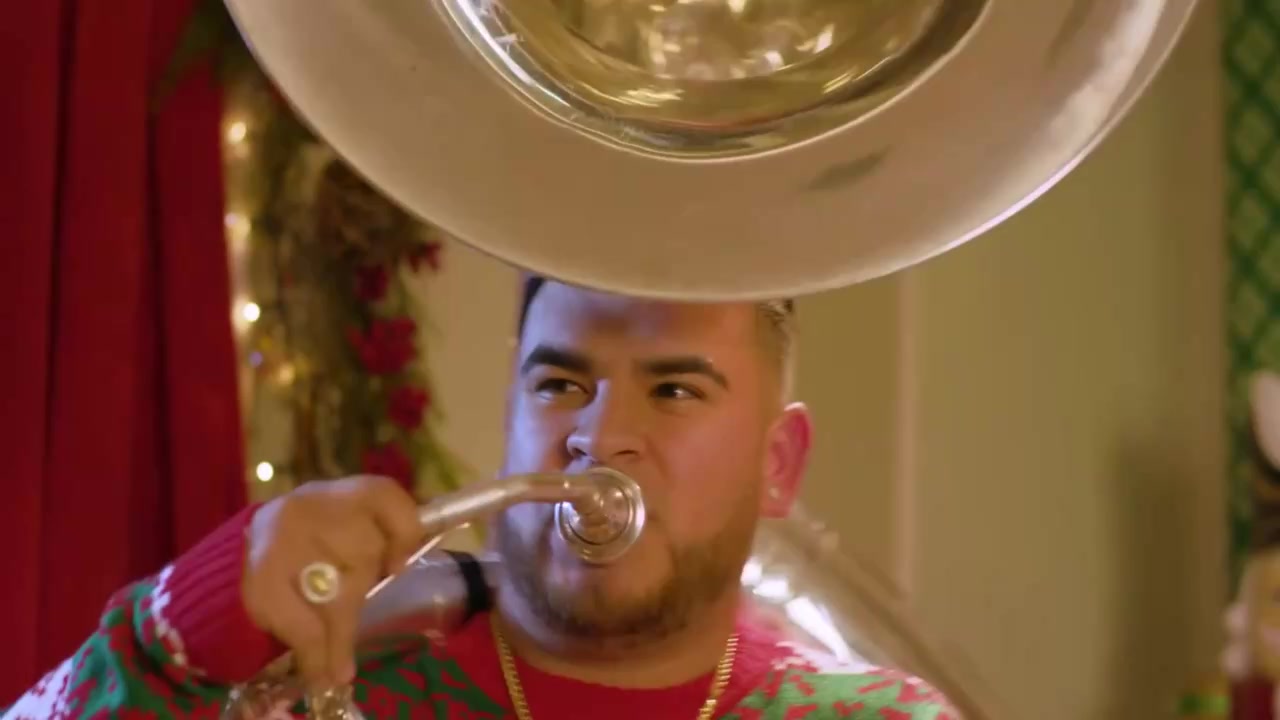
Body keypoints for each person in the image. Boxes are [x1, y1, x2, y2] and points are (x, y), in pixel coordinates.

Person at [2, 276, 960, 719]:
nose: (598, 436)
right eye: (559, 384)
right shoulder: (332, 690)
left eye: (673, 390)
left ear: (778, 463)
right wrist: (191, 625)